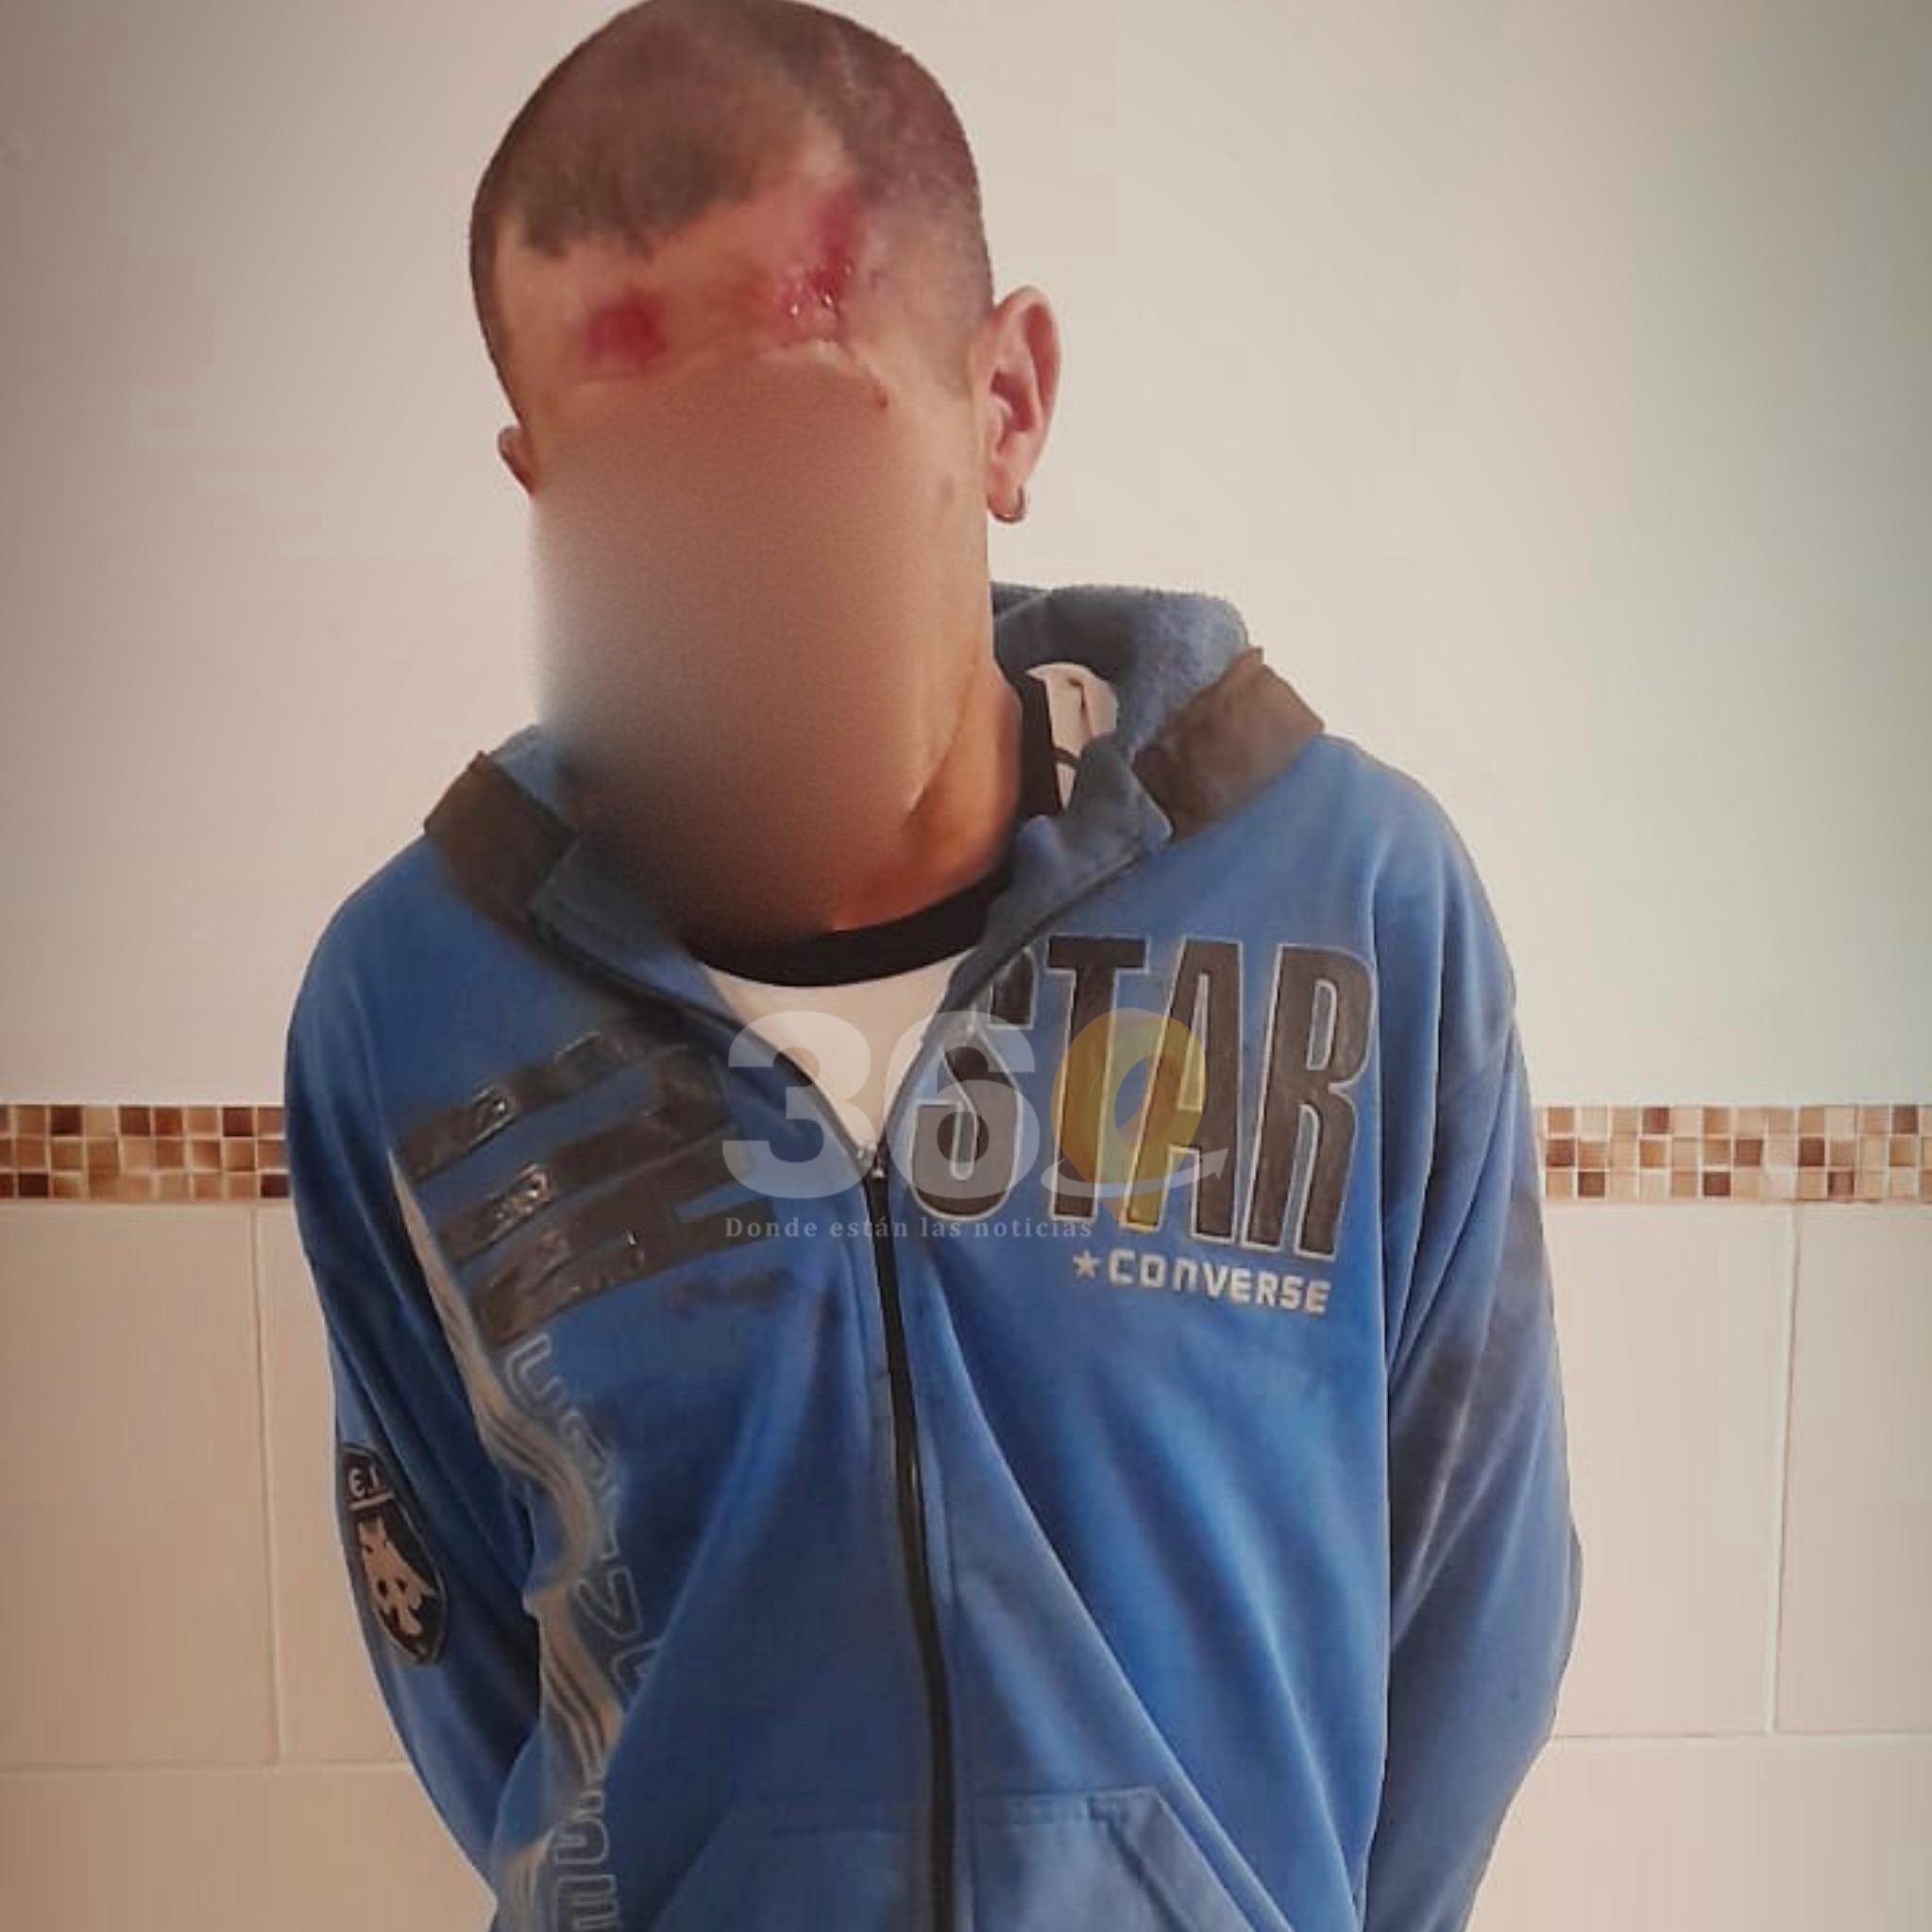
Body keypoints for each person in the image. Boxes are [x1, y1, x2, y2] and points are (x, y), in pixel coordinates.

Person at [281, 5, 1585, 1930]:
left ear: (1007, 402)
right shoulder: (412, 1004)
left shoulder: (1353, 905)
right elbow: (470, 1667)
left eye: (803, 438)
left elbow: (1473, 1608)